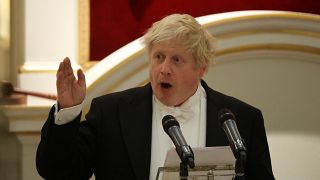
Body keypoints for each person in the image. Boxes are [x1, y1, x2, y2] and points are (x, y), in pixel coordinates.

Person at [36, 14, 275, 180]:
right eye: (158, 57)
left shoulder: (242, 119)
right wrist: (67, 111)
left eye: (177, 60)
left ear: (201, 67)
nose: (164, 69)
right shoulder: (111, 112)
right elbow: (59, 172)